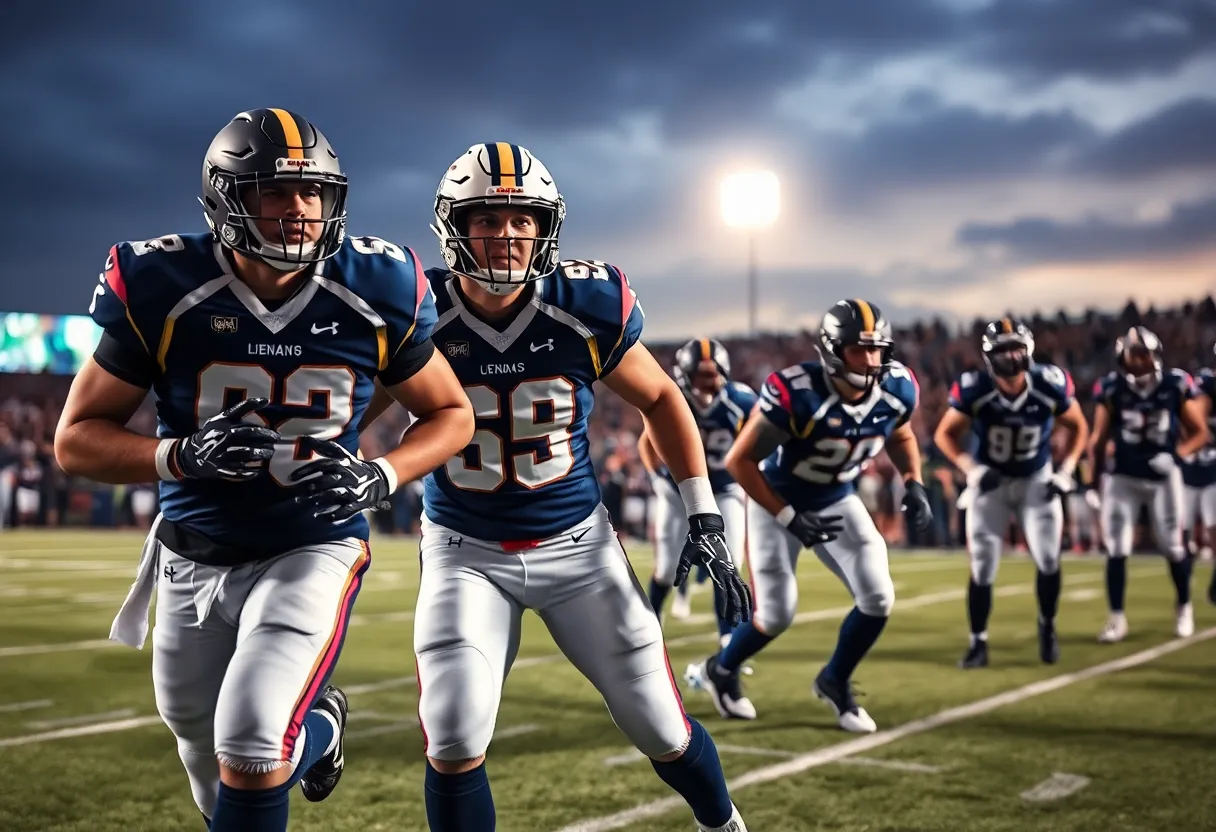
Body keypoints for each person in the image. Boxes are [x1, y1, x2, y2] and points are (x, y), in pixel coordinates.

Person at [54, 108, 474, 831]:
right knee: (199, 739)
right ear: (228, 200)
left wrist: (382, 475)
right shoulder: (163, 283)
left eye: (313, 193)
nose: (300, 210)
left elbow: (451, 413)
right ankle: (323, 729)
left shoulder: (376, 285)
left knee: (249, 740)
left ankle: (306, 730)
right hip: (193, 548)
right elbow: (75, 440)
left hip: (314, 541)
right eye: (276, 192)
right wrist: (176, 456)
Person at [365, 142, 751, 832]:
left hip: (578, 547)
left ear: (547, 226)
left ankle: (724, 824)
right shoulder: (419, 310)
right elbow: (351, 413)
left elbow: (662, 399)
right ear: (455, 223)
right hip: (464, 549)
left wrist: (704, 516)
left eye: (524, 220)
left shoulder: (582, 303)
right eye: (490, 218)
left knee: (662, 725)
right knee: (452, 730)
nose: (509, 235)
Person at [686, 299, 932, 733]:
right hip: (774, 499)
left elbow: (902, 432)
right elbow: (742, 461)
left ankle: (833, 680)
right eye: (860, 349)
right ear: (834, 350)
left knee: (878, 597)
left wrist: (913, 479)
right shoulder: (798, 392)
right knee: (777, 613)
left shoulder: (897, 388)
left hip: (836, 498)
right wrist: (788, 517)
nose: (871, 360)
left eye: (878, 349)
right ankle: (721, 669)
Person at [934, 319, 1088, 668]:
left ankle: (1047, 627)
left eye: (1016, 348)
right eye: (1002, 350)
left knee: (1049, 559)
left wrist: (1066, 470)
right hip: (992, 481)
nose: (1011, 356)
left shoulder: (1049, 384)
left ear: (1028, 349)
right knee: (983, 566)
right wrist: (971, 469)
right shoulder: (975, 387)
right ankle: (978, 643)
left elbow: (1079, 426)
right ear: (989, 356)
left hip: (1037, 478)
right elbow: (945, 434)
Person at [1088, 326, 1209, 642]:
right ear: (1123, 357)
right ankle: (1116, 618)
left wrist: (1177, 456)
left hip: (1163, 476)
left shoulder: (1174, 385)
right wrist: (1091, 483)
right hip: (1123, 477)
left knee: (1172, 546)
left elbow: (1199, 433)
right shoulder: (1112, 388)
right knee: (1117, 548)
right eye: (1135, 354)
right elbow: (1098, 439)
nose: (1141, 360)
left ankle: (1184, 608)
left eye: (1145, 354)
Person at [641, 337, 756, 649]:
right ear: (686, 374)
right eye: (702, 374)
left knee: (729, 561)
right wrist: (657, 479)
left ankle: (727, 637)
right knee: (666, 568)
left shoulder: (742, 402)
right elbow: (647, 443)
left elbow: (755, 444)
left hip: (724, 489)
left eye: (714, 372)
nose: (710, 380)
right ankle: (653, 623)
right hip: (678, 489)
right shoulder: (675, 399)